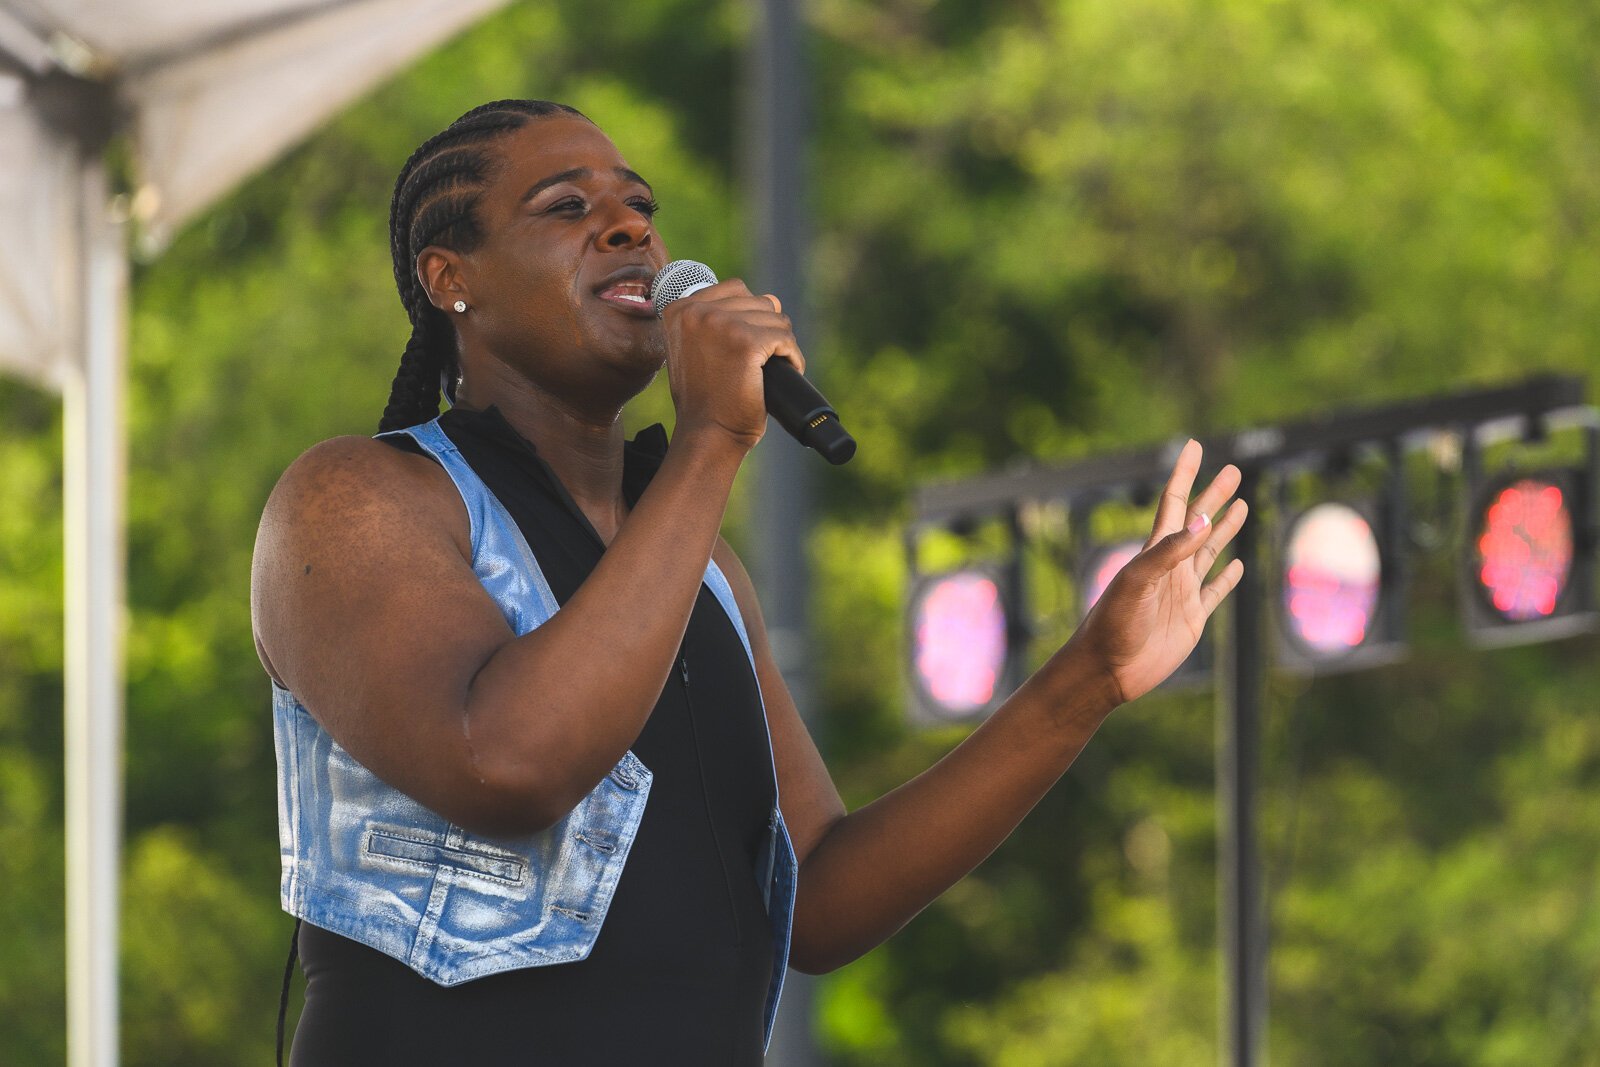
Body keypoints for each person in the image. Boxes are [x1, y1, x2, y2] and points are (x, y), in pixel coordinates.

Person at [251, 99, 1246, 1066]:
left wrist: (1087, 679)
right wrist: (714, 437)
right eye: (566, 208)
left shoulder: (701, 565)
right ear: (448, 277)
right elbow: (506, 763)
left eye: (638, 207)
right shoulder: (358, 498)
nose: (628, 226)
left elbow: (815, 895)